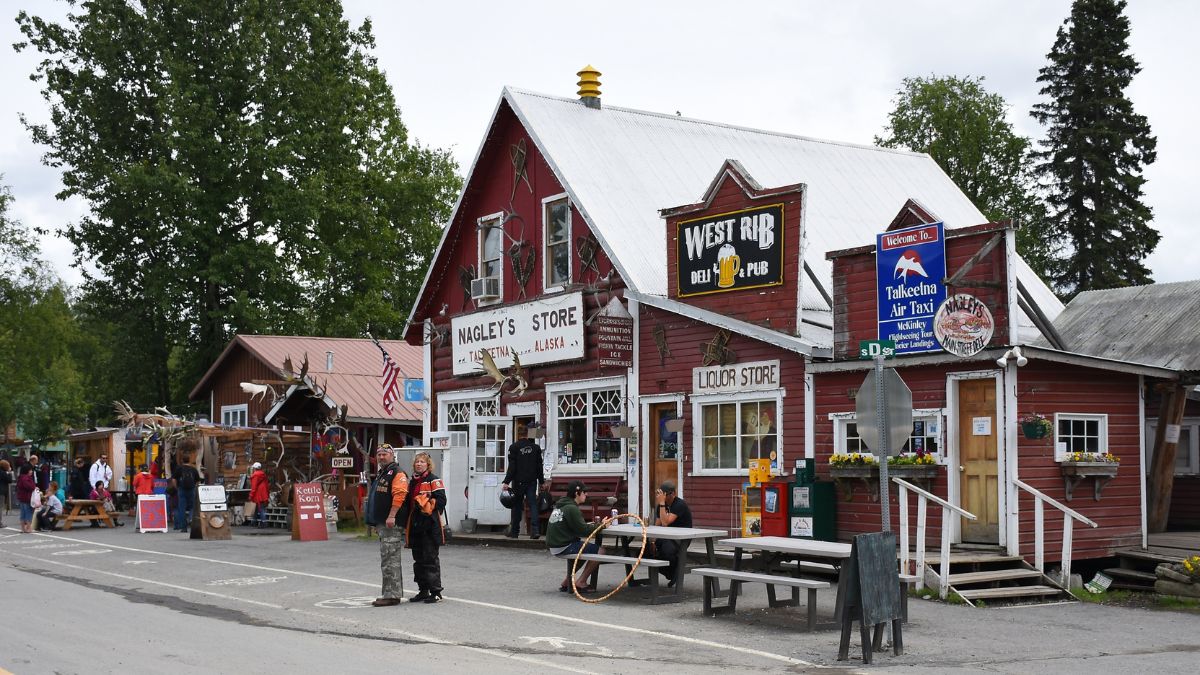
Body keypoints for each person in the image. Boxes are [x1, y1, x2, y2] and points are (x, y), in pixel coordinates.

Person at [365, 444, 408, 607]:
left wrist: (391, 515)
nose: (382, 457)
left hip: (391, 523)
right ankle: (389, 593)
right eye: (379, 454)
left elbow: (400, 495)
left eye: (385, 454)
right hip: (383, 523)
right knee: (387, 558)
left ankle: (392, 595)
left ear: (392, 455)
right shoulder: (383, 473)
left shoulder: (397, 473)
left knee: (391, 559)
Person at [546, 480, 606, 593]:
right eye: (584, 492)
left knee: (583, 548)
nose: (586, 494)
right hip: (563, 545)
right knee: (600, 551)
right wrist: (602, 526)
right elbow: (583, 531)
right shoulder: (572, 508)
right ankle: (581, 582)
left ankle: (566, 581)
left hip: (555, 545)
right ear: (576, 493)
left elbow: (574, 526)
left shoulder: (561, 505)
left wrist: (589, 525)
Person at [404, 452, 447, 603]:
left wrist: (427, 502)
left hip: (429, 525)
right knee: (418, 560)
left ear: (428, 464)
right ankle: (423, 590)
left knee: (430, 559)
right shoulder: (412, 481)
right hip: (415, 524)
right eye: (417, 462)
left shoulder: (434, 480)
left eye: (422, 462)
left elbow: (442, 501)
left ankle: (436, 592)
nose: (419, 464)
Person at [501, 426, 546, 539]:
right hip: (532, 481)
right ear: (528, 434)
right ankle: (535, 531)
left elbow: (512, 466)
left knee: (517, 506)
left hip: (519, 481)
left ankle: (515, 531)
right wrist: (541, 481)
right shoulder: (535, 448)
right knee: (533, 505)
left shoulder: (514, 447)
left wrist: (507, 481)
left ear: (518, 434)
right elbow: (539, 467)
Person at [652, 480, 693, 586]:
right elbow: (658, 524)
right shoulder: (661, 506)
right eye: (662, 495)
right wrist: (652, 540)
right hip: (666, 537)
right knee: (645, 552)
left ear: (673, 493)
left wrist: (661, 504)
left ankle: (675, 571)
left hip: (681, 538)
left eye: (665, 495)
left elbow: (665, 522)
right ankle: (671, 572)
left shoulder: (679, 504)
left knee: (667, 550)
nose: (664, 498)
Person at [173, 455, 200, 532]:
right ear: (189, 460)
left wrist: (177, 487)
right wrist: (195, 487)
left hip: (181, 489)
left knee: (182, 508)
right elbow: (198, 481)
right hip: (191, 490)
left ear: (182, 460)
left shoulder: (179, 468)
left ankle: (183, 527)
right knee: (192, 507)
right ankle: (191, 519)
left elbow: (174, 479)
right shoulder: (193, 469)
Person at [15, 464, 37, 533]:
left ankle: (23, 529)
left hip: (21, 497)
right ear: (26, 471)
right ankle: (29, 529)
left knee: (23, 513)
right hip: (27, 498)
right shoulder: (26, 478)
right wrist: (34, 487)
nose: (31, 471)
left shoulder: (20, 477)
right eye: (30, 470)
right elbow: (30, 487)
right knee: (28, 513)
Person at [248, 462, 269, 527]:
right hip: (263, 493)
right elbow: (267, 485)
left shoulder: (255, 475)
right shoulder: (263, 474)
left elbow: (254, 487)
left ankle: (263, 522)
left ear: (254, 468)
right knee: (257, 507)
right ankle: (254, 521)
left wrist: (251, 496)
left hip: (258, 494)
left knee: (261, 508)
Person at [0, 458, 12, 528]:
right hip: (1, 492)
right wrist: (9, 472)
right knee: (0, 507)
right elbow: (9, 480)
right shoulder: (3, 473)